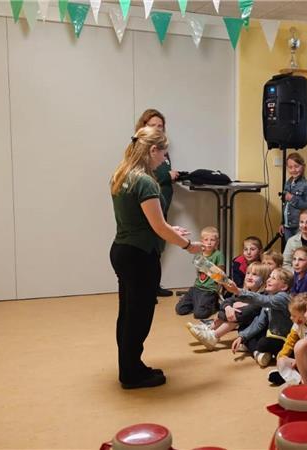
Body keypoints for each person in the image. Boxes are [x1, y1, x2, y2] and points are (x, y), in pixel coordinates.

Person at [109, 126, 202, 389]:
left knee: (128, 314)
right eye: (163, 153)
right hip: (140, 256)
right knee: (138, 317)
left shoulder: (121, 174)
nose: (164, 160)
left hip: (122, 251)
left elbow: (148, 222)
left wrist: (171, 230)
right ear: (152, 150)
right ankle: (131, 375)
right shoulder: (145, 182)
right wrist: (187, 245)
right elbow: (158, 227)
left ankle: (130, 365)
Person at [135, 109, 179, 297]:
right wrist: (167, 175)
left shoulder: (163, 149)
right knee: (147, 249)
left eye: (160, 126)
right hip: (150, 207)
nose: (157, 128)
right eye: (153, 125)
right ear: (143, 126)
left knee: (157, 248)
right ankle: (146, 288)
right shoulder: (140, 149)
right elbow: (148, 175)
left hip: (163, 205)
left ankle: (153, 285)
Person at [187, 262, 271, 350]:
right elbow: (227, 301)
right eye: (248, 273)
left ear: (264, 280)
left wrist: (235, 308)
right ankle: (209, 329)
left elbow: (248, 312)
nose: (249, 276)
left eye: (255, 274)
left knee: (237, 312)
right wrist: (228, 308)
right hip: (243, 324)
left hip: (254, 331)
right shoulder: (245, 292)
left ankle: (213, 336)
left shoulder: (263, 297)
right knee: (230, 307)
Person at [224, 268, 294, 367]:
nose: (268, 280)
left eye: (273, 278)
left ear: (284, 287)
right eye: (269, 277)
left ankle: (263, 352)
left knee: (263, 343)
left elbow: (262, 299)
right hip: (272, 335)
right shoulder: (270, 296)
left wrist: (238, 291)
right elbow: (259, 323)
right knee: (246, 332)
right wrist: (242, 337)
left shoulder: (283, 297)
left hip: (285, 339)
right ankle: (258, 354)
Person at [175, 226, 224, 319]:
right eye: (206, 240)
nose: (209, 242)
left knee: (199, 314)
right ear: (202, 241)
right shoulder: (198, 253)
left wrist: (218, 289)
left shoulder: (218, 254)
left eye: (212, 240)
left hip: (209, 290)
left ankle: (213, 305)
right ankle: (198, 303)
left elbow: (220, 274)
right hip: (196, 288)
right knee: (180, 309)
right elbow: (198, 272)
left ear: (217, 242)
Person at [268, 293, 307, 386]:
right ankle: (293, 378)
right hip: (300, 356)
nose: (291, 318)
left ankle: (298, 380)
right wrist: (282, 356)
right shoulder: (297, 326)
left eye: (294, 315)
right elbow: (290, 342)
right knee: (282, 360)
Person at [281, 153, 307, 242]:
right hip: (287, 226)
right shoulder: (288, 183)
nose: (293, 170)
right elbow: (285, 205)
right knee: (290, 247)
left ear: (303, 166)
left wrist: (293, 199)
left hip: (299, 226)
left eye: (296, 166)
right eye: (290, 167)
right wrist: (282, 223)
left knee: (299, 248)